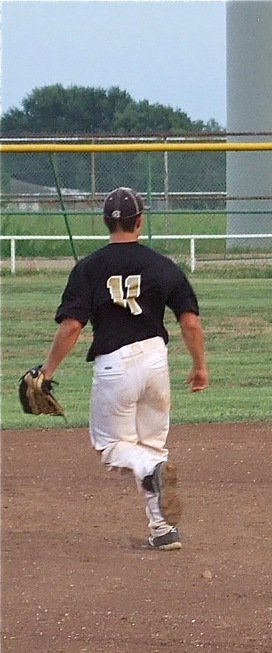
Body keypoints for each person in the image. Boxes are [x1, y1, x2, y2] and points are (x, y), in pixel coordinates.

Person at [35, 187, 209, 551]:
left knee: (113, 447)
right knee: (151, 447)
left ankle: (154, 485)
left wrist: (46, 372)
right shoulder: (163, 265)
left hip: (115, 364)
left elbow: (71, 327)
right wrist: (199, 366)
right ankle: (163, 530)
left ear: (104, 222)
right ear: (140, 221)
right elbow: (190, 323)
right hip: (155, 360)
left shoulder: (89, 268)